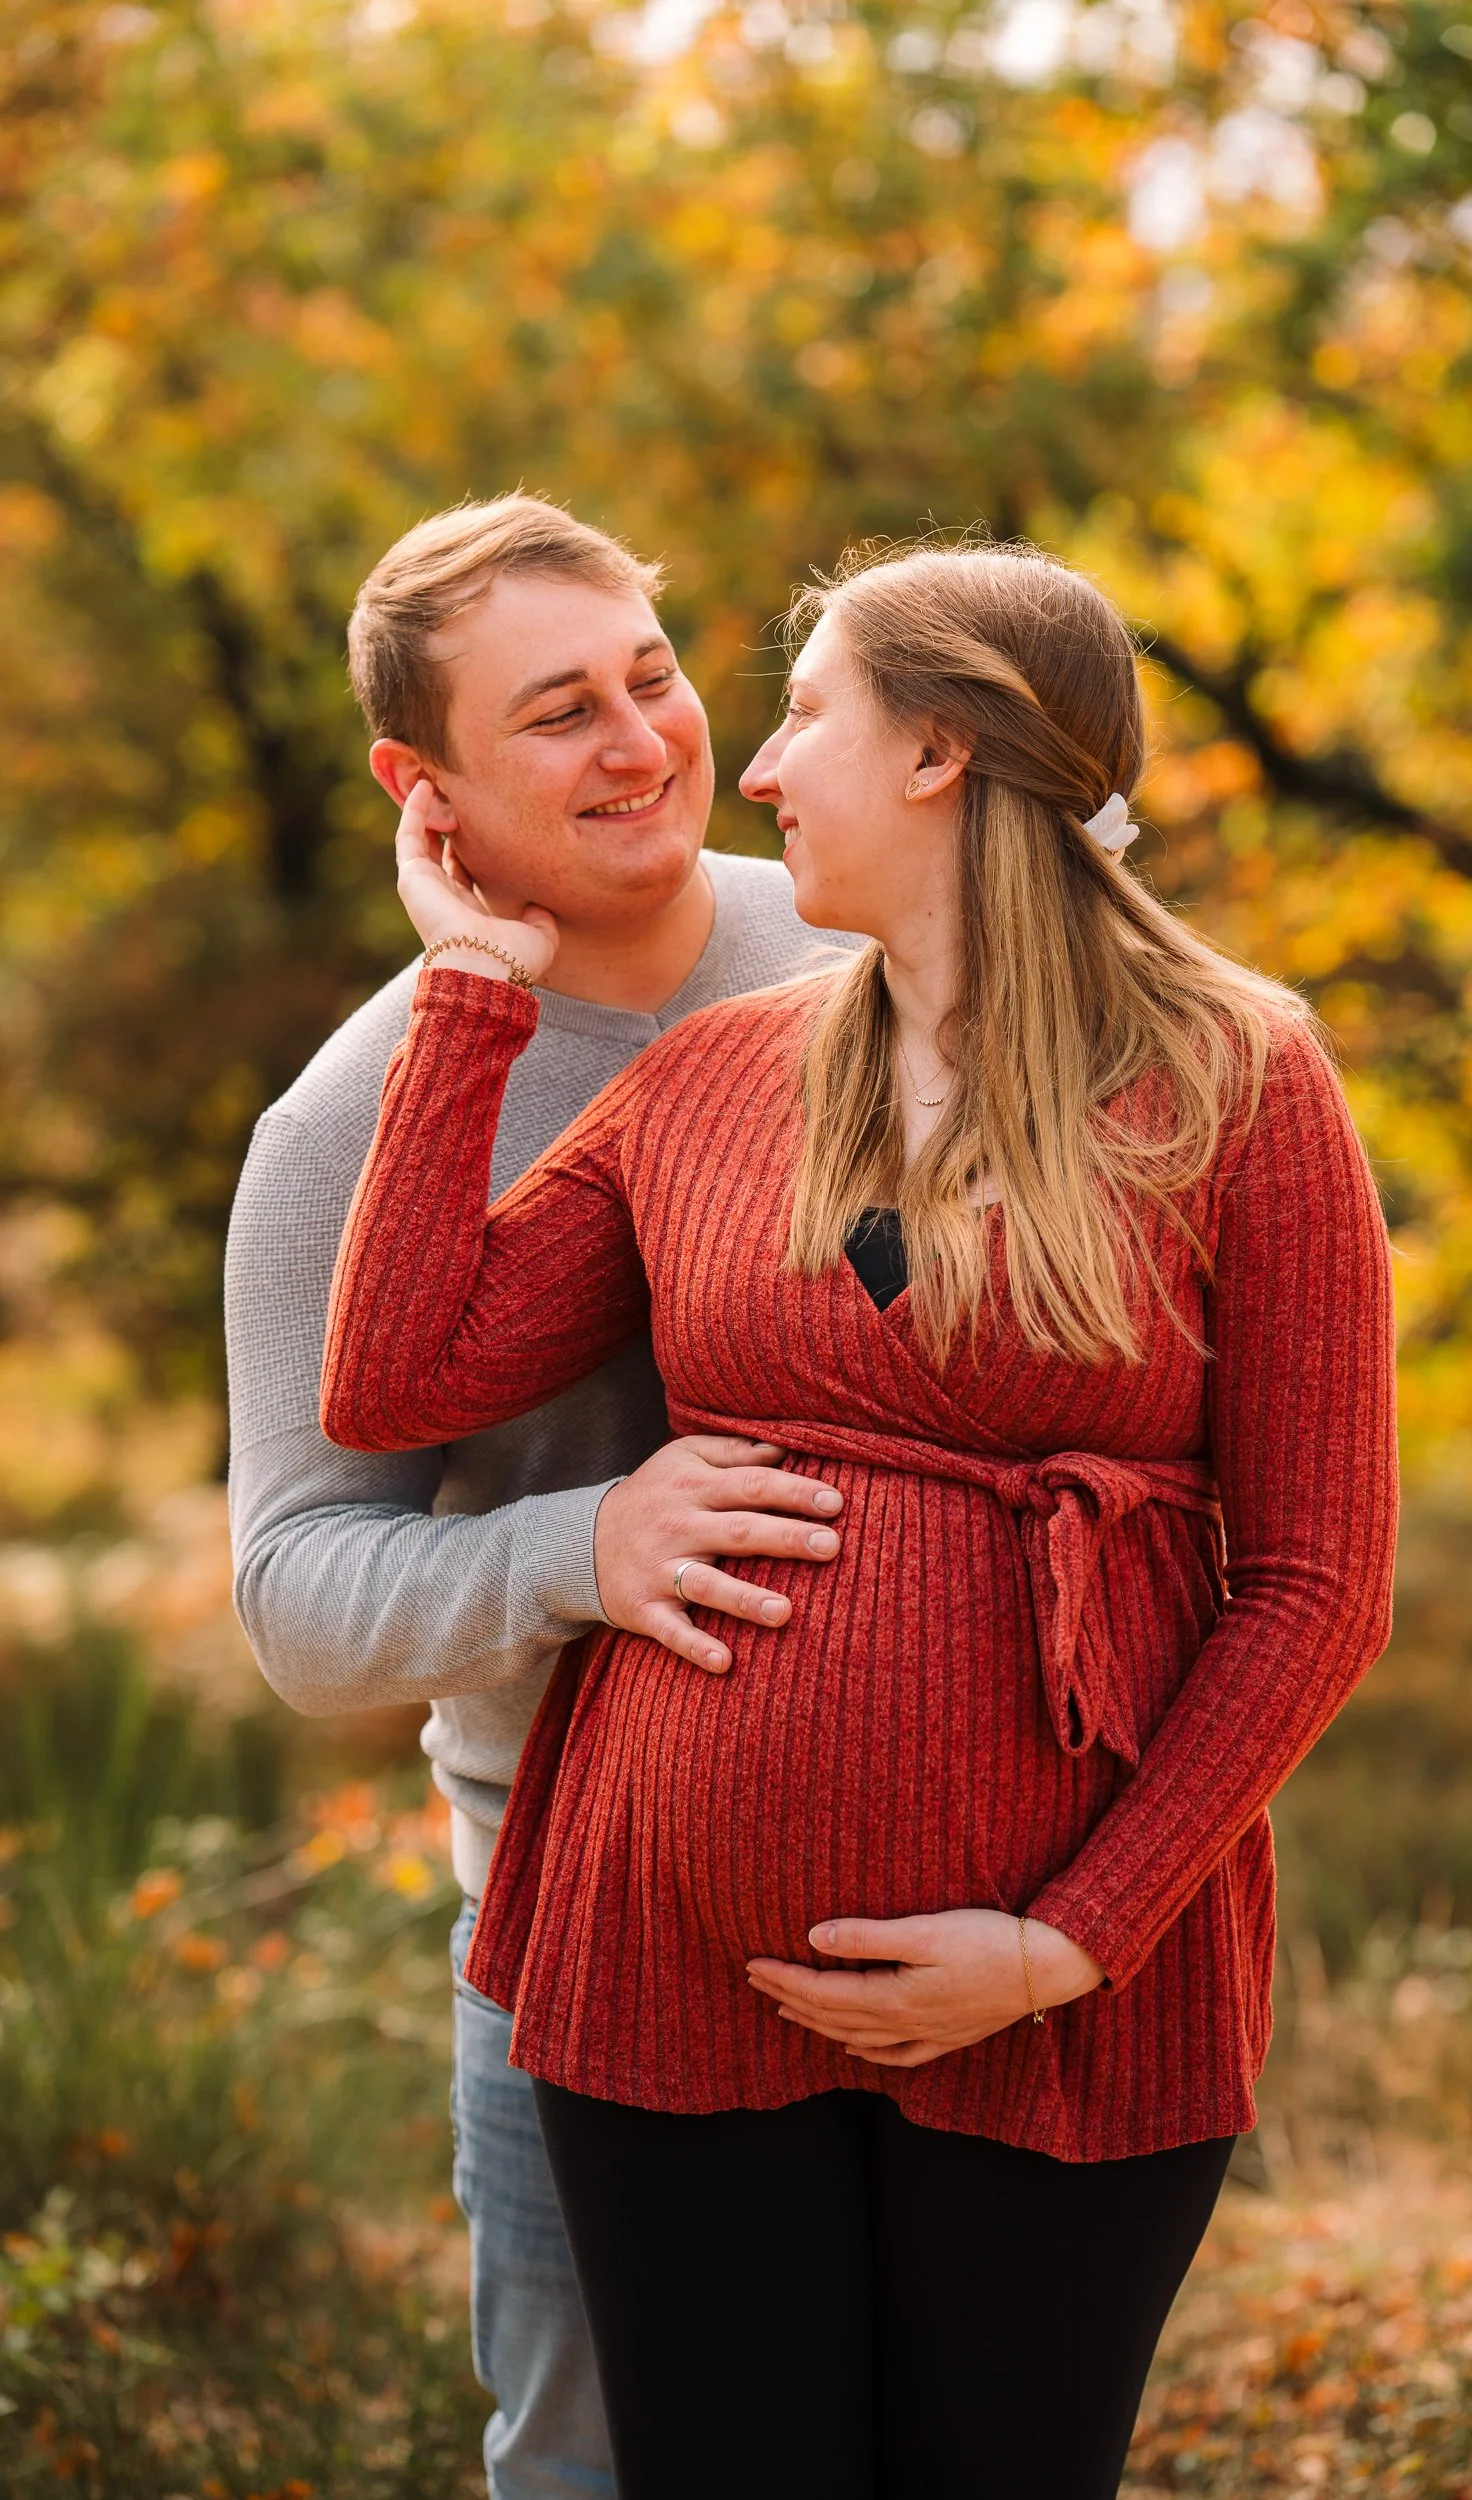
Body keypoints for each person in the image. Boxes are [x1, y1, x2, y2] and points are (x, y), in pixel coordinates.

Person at [319, 541, 1399, 2500]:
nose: (755, 768)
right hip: (661, 1971)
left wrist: (1065, 1939)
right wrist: (471, 991)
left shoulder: (1236, 1076)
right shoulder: (719, 1078)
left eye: (803, 710)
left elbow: (1315, 1586)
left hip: (1054, 2002)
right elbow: (397, 1377)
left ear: (939, 749)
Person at [225, 492, 863, 2500]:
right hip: (572, 1919)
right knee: (599, 2461)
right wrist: (583, 1548)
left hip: (930, 1879)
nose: (640, 741)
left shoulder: (860, 935)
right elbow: (294, 1589)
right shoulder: (349, 1118)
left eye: (652, 676)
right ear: (423, 790)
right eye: (557, 713)